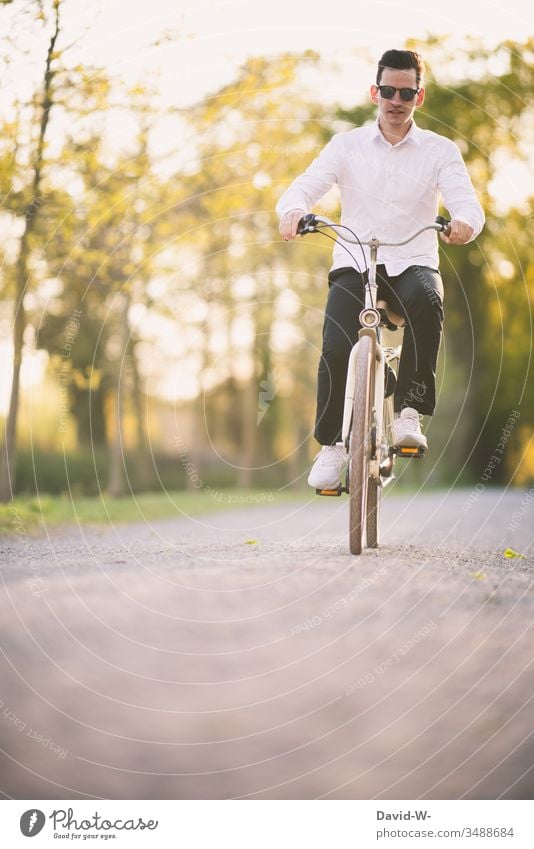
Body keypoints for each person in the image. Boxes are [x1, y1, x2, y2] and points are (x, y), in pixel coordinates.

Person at [276, 49, 485, 489]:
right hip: (355, 259)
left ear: (419, 97)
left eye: (405, 92)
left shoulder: (439, 150)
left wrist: (465, 222)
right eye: (387, 90)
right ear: (375, 91)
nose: (395, 100)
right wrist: (293, 211)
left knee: (428, 302)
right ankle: (332, 448)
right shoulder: (346, 145)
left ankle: (409, 414)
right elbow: (304, 187)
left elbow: (466, 201)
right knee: (335, 345)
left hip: (412, 260)